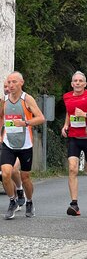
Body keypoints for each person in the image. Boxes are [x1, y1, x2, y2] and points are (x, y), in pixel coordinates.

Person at [0, 71, 45, 220]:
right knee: (5, 173)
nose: (11, 85)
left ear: (21, 83)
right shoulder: (3, 100)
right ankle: (12, 201)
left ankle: (29, 201)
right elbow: (1, 117)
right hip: (8, 143)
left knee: (25, 178)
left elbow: (41, 118)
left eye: (14, 82)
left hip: (25, 145)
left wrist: (25, 122)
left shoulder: (27, 99)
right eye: (9, 82)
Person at [61, 71, 87, 217]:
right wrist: (65, 125)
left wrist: (84, 115)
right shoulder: (67, 96)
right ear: (72, 84)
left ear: (85, 84)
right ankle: (74, 204)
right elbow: (69, 112)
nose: (77, 83)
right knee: (72, 169)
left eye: (80, 81)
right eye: (75, 81)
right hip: (74, 137)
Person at [0, 80, 25, 208]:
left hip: (20, 143)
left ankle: (20, 190)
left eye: (9, 86)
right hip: (5, 143)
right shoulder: (2, 103)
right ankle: (13, 200)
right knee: (5, 173)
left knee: (14, 169)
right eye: (5, 86)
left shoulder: (23, 101)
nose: (7, 88)